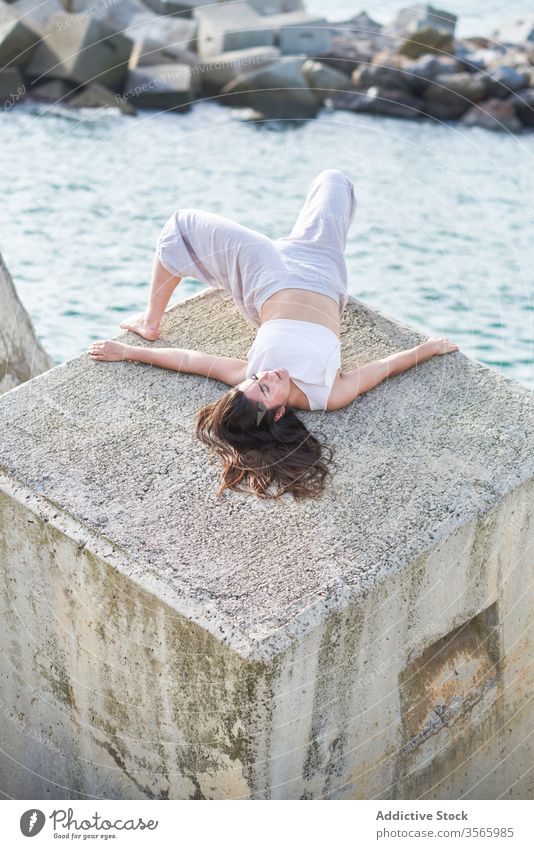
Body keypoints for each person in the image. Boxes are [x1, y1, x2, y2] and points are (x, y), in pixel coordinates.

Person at [88, 170, 458, 500]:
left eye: (255, 381)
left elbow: (189, 360)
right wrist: (426, 349)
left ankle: (150, 321)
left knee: (189, 221)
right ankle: (158, 311)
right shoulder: (325, 395)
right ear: (279, 412)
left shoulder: (251, 373)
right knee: (335, 183)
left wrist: (128, 352)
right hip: (323, 270)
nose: (263, 376)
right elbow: (382, 368)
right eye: (265, 387)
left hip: (270, 274)